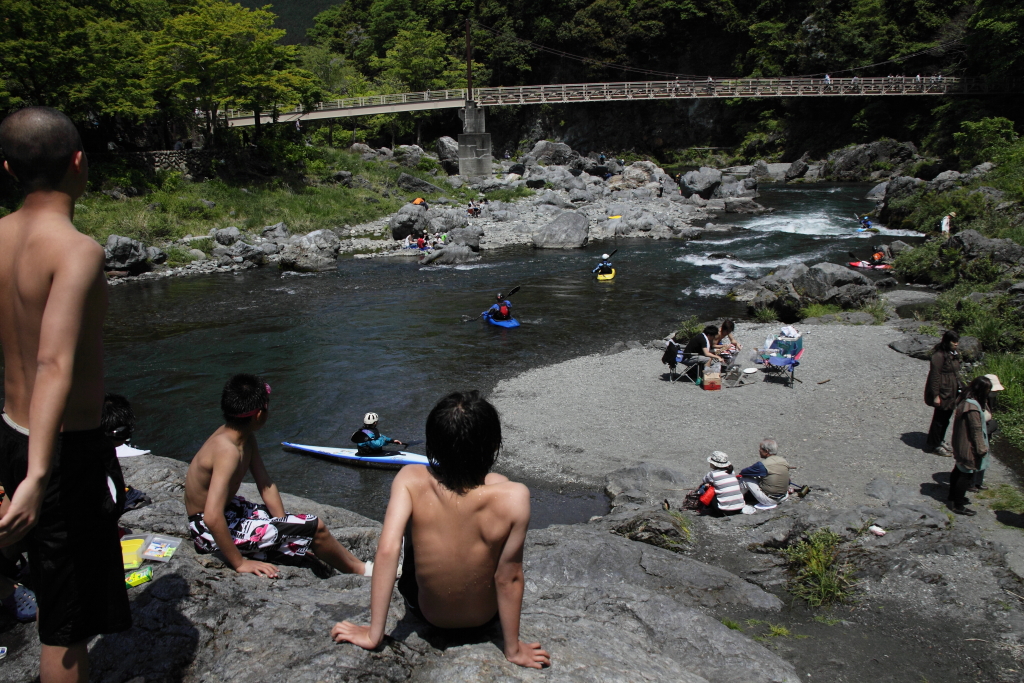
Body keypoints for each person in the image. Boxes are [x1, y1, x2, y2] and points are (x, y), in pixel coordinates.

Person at [0, 106, 132, 683]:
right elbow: (55, 361)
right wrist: (37, 473)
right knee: (68, 624)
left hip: (8, 428)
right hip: (61, 453)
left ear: (8, 168)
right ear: (80, 162)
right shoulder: (77, 250)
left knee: (26, 568)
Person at [331, 391, 551, 669]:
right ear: (494, 445)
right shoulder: (515, 496)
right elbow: (510, 577)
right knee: (497, 481)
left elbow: (388, 550)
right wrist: (513, 649)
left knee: (417, 523)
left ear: (432, 447)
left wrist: (374, 633)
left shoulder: (410, 479)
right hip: (484, 617)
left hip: (428, 614)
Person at [184, 374, 370, 578]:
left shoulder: (242, 437)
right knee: (315, 525)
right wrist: (240, 563)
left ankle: (360, 566)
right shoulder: (227, 451)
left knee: (299, 532)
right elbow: (212, 516)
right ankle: (362, 571)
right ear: (258, 415)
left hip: (229, 512)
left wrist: (285, 526)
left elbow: (265, 484)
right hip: (207, 530)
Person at [948, 376, 993, 516]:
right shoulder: (972, 407)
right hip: (968, 445)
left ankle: (952, 497)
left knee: (958, 469)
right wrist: (981, 449)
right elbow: (976, 430)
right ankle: (958, 505)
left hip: (959, 442)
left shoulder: (964, 400)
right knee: (965, 474)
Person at [924, 330, 961, 456]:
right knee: (939, 420)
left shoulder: (953, 355)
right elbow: (934, 377)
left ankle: (940, 440)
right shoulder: (939, 356)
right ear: (947, 341)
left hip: (951, 392)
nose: (956, 344)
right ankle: (934, 445)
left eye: (957, 342)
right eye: (953, 342)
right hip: (943, 392)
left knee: (946, 419)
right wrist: (935, 395)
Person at [969, 373, 1004, 493]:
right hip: (979, 432)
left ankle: (978, 481)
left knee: (984, 457)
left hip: (985, 430)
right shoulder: (973, 401)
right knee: (975, 457)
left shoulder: (988, 399)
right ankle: (971, 482)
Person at [737, 439, 795, 509]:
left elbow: (744, 472)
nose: (759, 450)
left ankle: (735, 500)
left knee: (745, 479)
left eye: (761, 448)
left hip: (770, 500)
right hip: (784, 496)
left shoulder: (762, 465)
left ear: (766, 451)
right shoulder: (783, 461)